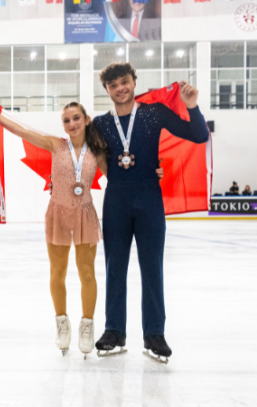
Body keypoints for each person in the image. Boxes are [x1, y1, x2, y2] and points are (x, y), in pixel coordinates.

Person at [93, 63, 209, 364]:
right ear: (106, 90)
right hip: (116, 196)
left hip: (148, 197)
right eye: (113, 84)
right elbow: (86, 154)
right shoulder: (100, 124)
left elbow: (197, 135)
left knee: (152, 267)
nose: (120, 88)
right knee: (114, 267)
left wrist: (192, 105)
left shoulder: (154, 113)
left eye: (124, 81)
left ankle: (154, 333)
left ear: (134, 82)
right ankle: (114, 330)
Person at [0, 103, 105, 357]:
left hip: (86, 214)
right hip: (58, 213)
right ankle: (62, 323)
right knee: (58, 272)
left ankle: (87, 325)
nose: (72, 124)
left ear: (87, 119)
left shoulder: (98, 151)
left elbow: (118, 176)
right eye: (66, 121)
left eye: (76, 118)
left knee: (87, 272)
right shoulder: (56, 144)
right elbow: (21, 131)